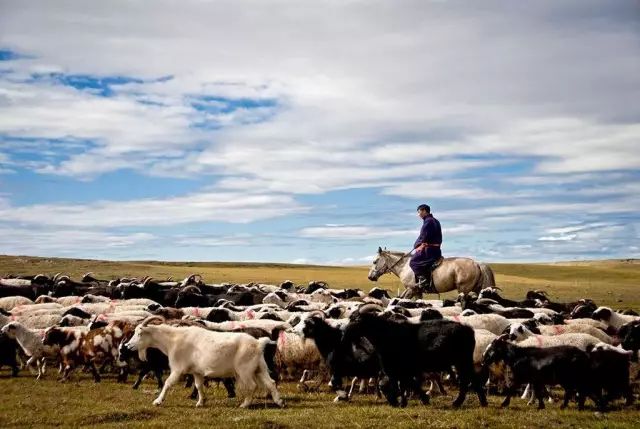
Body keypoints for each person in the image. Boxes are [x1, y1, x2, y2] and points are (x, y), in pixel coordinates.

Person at [409, 203, 442, 292]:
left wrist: (417, 245)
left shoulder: (428, 221)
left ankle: (423, 279)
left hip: (430, 251)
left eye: (419, 212)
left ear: (424, 211)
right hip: (436, 250)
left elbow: (424, 236)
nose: (418, 214)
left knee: (413, 262)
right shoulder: (435, 220)